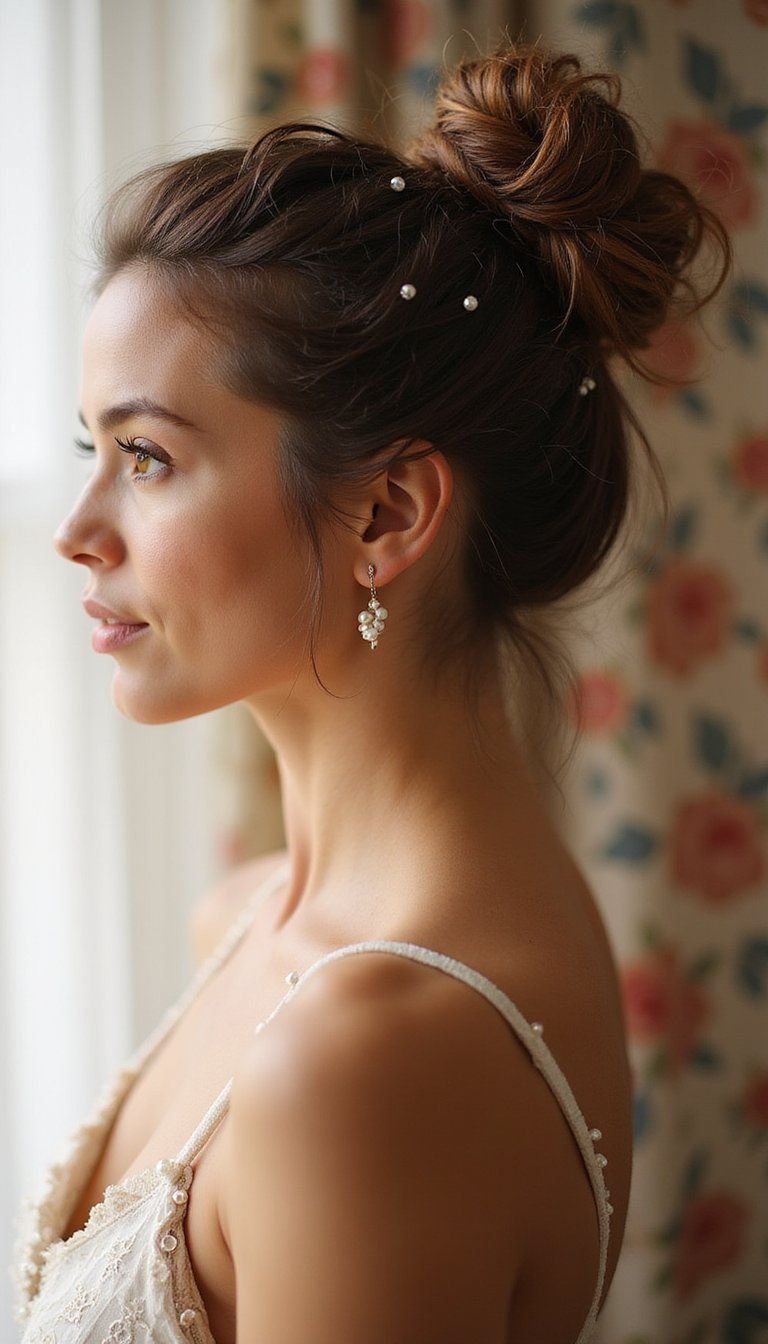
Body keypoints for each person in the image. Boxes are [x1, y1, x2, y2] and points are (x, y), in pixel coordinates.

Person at [11, 36, 730, 1344]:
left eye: (149, 458)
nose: (76, 528)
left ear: (389, 510)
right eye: (89, 450)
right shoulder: (261, 922)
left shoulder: (371, 1055)